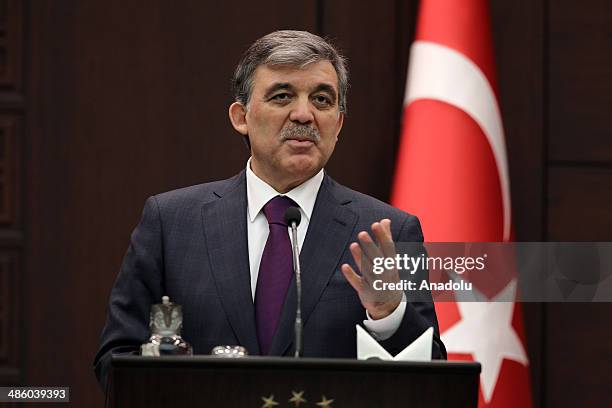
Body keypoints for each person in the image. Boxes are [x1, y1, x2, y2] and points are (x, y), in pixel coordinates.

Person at [94, 30, 446, 390]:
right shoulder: (171, 223)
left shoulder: (389, 231)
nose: (304, 114)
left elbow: (432, 379)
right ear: (241, 116)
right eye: (282, 96)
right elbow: (116, 361)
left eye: (322, 100)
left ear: (338, 125)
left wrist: (388, 315)